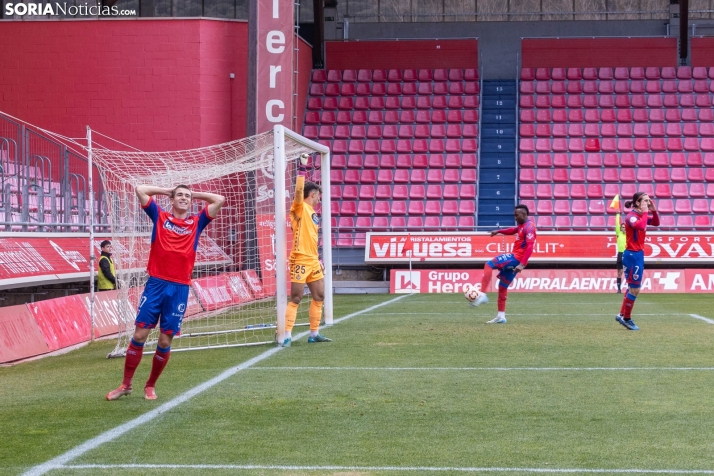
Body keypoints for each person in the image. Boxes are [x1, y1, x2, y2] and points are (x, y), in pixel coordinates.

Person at [106, 184, 225, 400]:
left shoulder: (197, 222)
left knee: (164, 341)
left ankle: (150, 385)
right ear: (172, 199)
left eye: (187, 197)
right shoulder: (160, 216)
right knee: (140, 334)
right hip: (156, 284)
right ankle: (125, 385)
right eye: (179, 195)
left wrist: (193, 194)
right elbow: (141, 190)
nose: (183, 198)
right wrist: (168, 190)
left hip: (179, 288)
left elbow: (219, 199)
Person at [282, 154, 331, 347]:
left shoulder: (313, 213)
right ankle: (287, 335)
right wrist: (303, 167)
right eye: (318, 195)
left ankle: (314, 333)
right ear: (312, 195)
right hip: (300, 259)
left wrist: (318, 257)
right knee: (296, 297)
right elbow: (298, 190)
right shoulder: (299, 207)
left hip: (312, 260)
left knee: (320, 296)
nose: (319, 198)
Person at [471, 204, 536, 324]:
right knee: (503, 286)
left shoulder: (530, 227)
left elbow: (530, 247)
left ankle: (482, 294)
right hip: (516, 259)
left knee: (489, 264)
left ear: (524, 214)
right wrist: (499, 231)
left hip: (516, 258)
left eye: (516, 215)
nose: (515, 218)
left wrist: (522, 264)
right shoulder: (522, 225)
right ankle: (501, 316)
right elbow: (512, 230)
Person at [616, 191, 659, 331]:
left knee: (631, 288)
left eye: (648, 200)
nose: (648, 203)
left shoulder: (641, 215)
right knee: (635, 289)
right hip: (632, 255)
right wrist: (646, 212)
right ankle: (627, 319)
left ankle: (621, 314)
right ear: (637, 202)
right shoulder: (631, 217)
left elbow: (657, 223)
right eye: (645, 201)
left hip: (638, 254)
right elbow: (640, 226)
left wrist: (654, 210)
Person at [614, 213, 626, 293]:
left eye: (625, 227)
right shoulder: (619, 234)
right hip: (620, 254)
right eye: (622, 227)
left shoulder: (629, 235)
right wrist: (618, 214)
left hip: (628, 254)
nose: (624, 228)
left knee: (629, 272)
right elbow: (617, 224)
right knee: (620, 272)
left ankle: (630, 289)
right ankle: (619, 289)